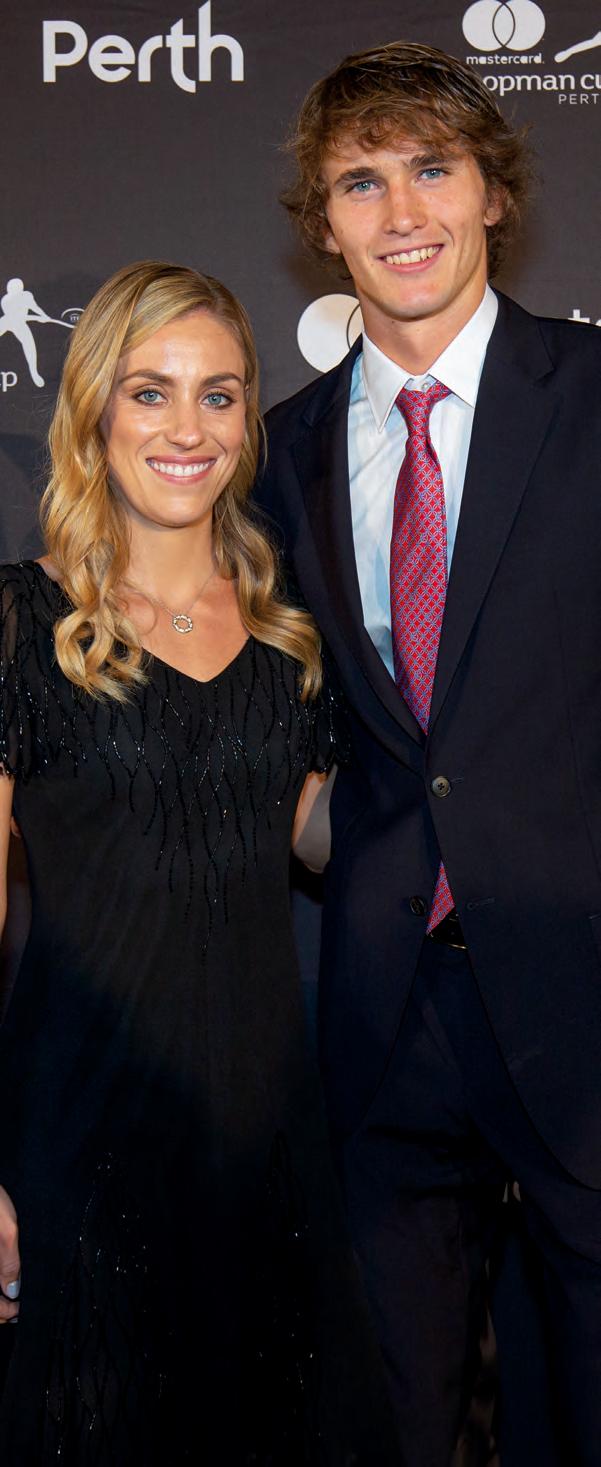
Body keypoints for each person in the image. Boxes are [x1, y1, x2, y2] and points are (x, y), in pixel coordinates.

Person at [256, 40, 601, 1467]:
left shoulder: (591, 391)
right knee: (387, 1426)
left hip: (585, 1005)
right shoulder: (271, 452)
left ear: (493, 194)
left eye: (432, 168)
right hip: (381, 1021)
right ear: (324, 224)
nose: (401, 212)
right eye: (361, 182)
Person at [0, 260, 397, 1465]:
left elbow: (317, 838)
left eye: (219, 395)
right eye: (150, 392)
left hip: (264, 1146)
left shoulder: (291, 641)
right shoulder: (19, 624)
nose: (188, 429)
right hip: (78, 1145)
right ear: (94, 412)